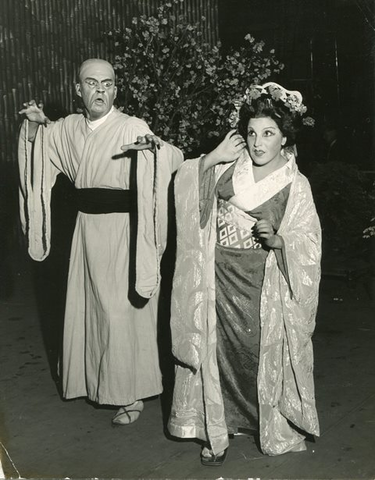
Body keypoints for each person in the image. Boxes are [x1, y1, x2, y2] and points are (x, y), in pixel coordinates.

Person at [18, 58, 183, 425]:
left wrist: (154, 149)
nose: (101, 91)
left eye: (108, 84)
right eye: (92, 84)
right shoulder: (68, 129)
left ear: (116, 89)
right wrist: (32, 126)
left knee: (118, 312)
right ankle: (93, 382)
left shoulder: (131, 126)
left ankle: (131, 394)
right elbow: (38, 155)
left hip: (123, 231)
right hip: (86, 230)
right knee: (88, 307)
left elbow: (172, 157)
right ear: (78, 90)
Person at [167, 82, 321, 465]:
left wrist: (282, 240)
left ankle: (267, 424)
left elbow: (309, 240)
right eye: (252, 132)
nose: (257, 142)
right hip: (217, 279)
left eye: (268, 133)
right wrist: (210, 158)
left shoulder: (296, 184)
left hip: (262, 285)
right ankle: (215, 430)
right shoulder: (226, 169)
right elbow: (185, 189)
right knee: (216, 354)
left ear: (285, 138)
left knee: (257, 357)